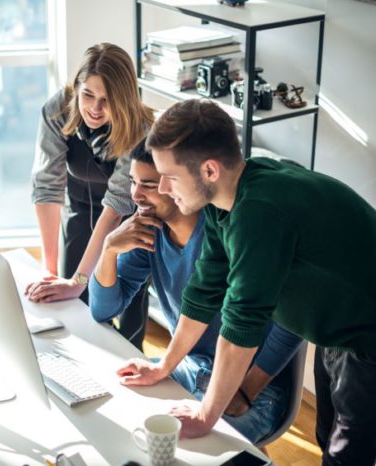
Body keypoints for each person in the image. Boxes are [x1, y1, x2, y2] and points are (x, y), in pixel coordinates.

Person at [120, 98, 375, 465]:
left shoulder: (259, 212)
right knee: (329, 439)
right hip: (337, 331)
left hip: (367, 336)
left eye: (170, 177)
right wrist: (164, 366)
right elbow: (204, 293)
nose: (162, 187)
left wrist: (207, 414)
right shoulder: (225, 202)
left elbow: (242, 324)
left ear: (209, 170)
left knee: (346, 456)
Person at [90, 142, 303, 444]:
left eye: (148, 185)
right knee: (109, 406)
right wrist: (110, 248)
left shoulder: (230, 233)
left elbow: (293, 320)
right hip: (187, 367)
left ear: (179, 183)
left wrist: (245, 390)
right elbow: (103, 309)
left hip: (249, 385)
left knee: (184, 449)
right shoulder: (148, 231)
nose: (136, 196)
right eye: (134, 183)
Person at [25, 42, 156, 322]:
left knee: (122, 304)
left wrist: (78, 280)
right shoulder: (57, 110)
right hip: (81, 206)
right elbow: (47, 188)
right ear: (77, 88)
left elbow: (116, 206)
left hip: (129, 218)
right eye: (88, 95)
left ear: (124, 99)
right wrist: (51, 273)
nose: (94, 109)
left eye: (106, 100)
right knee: (71, 301)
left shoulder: (140, 129)